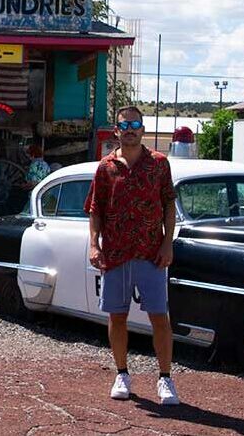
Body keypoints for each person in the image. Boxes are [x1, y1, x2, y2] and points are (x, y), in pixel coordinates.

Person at [85, 105, 180, 405]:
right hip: (115, 253)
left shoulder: (159, 164)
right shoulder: (105, 167)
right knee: (117, 315)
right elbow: (95, 209)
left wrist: (168, 243)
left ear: (143, 128)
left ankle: (165, 379)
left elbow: (168, 205)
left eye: (135, 124)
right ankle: (122, 373)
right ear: (117, 130)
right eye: (124, 125)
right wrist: (93, 244)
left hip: (151, 252)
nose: (130, 129)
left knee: (159, 317)